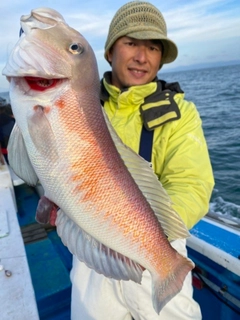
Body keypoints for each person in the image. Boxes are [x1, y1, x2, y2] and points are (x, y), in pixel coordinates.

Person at [69, 1, 214, 319]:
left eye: (152, 47)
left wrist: (147, 236)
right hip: (93, 253)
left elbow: (192, 183)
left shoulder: (181, 113)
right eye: (131, 43)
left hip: (158, 250)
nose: (141, 57)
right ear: (109, 52)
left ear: (161, 58)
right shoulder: (78, 104)